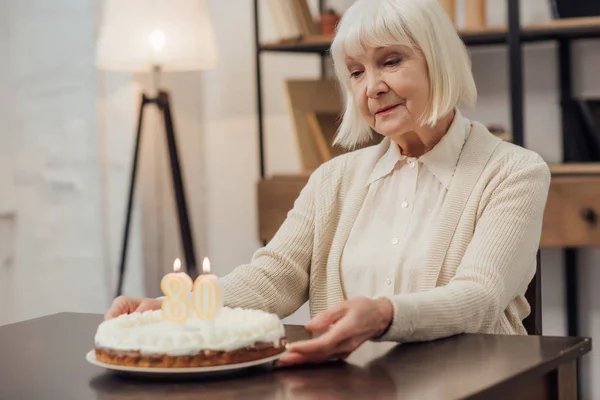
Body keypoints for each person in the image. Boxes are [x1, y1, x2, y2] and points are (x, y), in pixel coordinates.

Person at [105, 0, 551, 367]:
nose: (371, 87)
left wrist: (384, 315)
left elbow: (480, 297)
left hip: (474, 383)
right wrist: (174, 308)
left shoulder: (514, 172)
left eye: (390, 61)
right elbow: (274, 278)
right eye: (356, 72)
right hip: (346, 386)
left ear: (440, 62)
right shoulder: (333, 179)